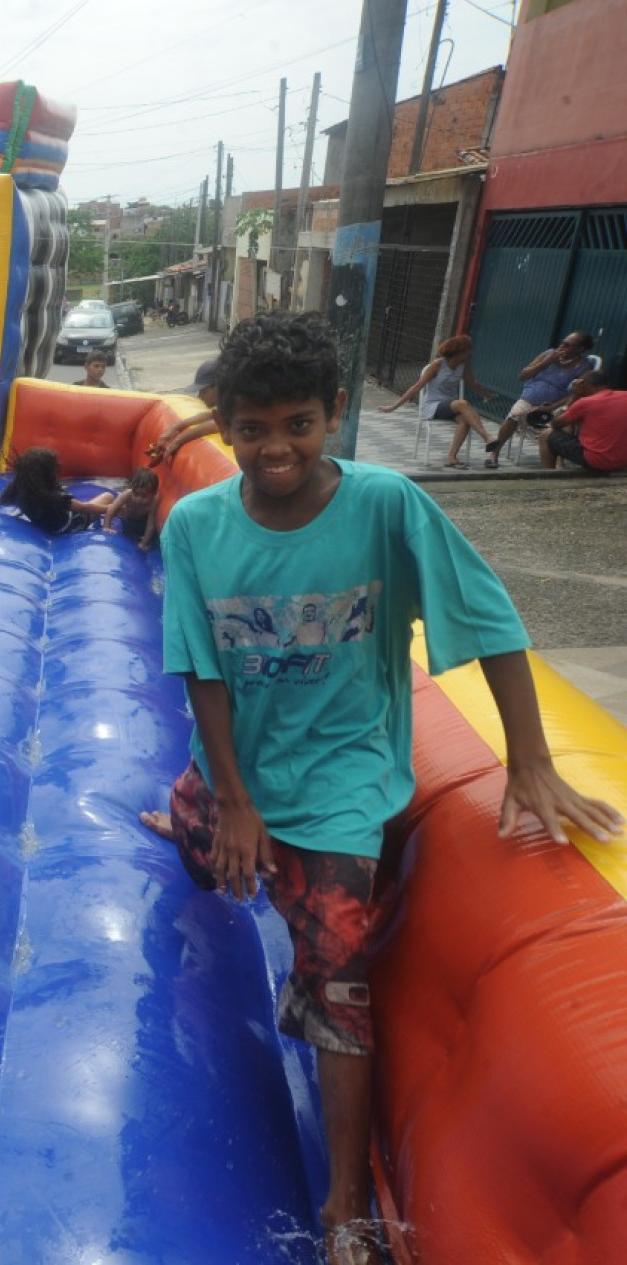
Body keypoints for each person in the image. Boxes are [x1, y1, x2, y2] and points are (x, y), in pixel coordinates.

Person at [154, 310, 621, 1265]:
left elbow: (485, 614)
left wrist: (529, 760)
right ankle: (189, 823)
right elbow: (199, 665)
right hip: (240, 766)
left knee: (335, 975)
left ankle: (341, 1202)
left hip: (343, 777)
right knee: (207, 845)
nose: (274, 446)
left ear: (333, 414)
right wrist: (233, 799)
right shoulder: (197, 524)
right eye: (251, 427)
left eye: (296, 422)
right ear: (224, 424)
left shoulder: (385, 506)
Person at [483, 331, 601, 468]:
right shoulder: (548, 354)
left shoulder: (585, 366)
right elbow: (522, 376)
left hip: (555, 404)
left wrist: (551, 407)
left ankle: (559, 460)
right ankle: (494, 453)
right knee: (514, 415)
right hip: (530, 397)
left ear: (580, 349)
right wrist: (546, 362)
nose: (561, 347)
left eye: (567, 345)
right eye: (562, 343)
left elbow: (576, 393)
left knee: (564, 425)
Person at [379, 335, 494, 469]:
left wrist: (488, 395)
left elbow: (472, 383)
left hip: (451, 406)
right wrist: (393, 407)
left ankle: (452, 457)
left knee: (464, 419)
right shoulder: (438, 364)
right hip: (433, 406)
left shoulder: (463, 365)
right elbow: (416, 387)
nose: (471, 353)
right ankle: (486, 437)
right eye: (468, 350)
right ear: (460, 353)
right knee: (462, 403)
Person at [0, 446, 115, 533]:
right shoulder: (54, 497)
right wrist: (112, 509)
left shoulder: (20, 489)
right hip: (72, 525)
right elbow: (83, 508)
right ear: (48, 473)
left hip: (51, 524)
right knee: (108, 496)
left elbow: (3, 501)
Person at [540, 369, 626, 471]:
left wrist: (574, 397)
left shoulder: (585, 402)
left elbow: (555, 424)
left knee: (545, 435)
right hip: (623, 461)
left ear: (584, 385)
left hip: (597, 461)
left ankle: (547, 474)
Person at [146, 359, 221, 466]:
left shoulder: (239, 398)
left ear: (219, 386)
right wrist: (176, 427)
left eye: (204, 391)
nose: (200, 397)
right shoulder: (227, 399)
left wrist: (178, 440)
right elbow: (211, 415)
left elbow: (219, 423)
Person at [100, 467, 160, 551]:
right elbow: (112, 509)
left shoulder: (154, 502)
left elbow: (150, 525)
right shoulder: (127, 494)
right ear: (132, 489)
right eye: (136, 494)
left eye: (144, 496)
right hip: (126, 520)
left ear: (154, 493)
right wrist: (106, 527)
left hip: (141, 524)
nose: (138, 499)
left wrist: (144, 543)